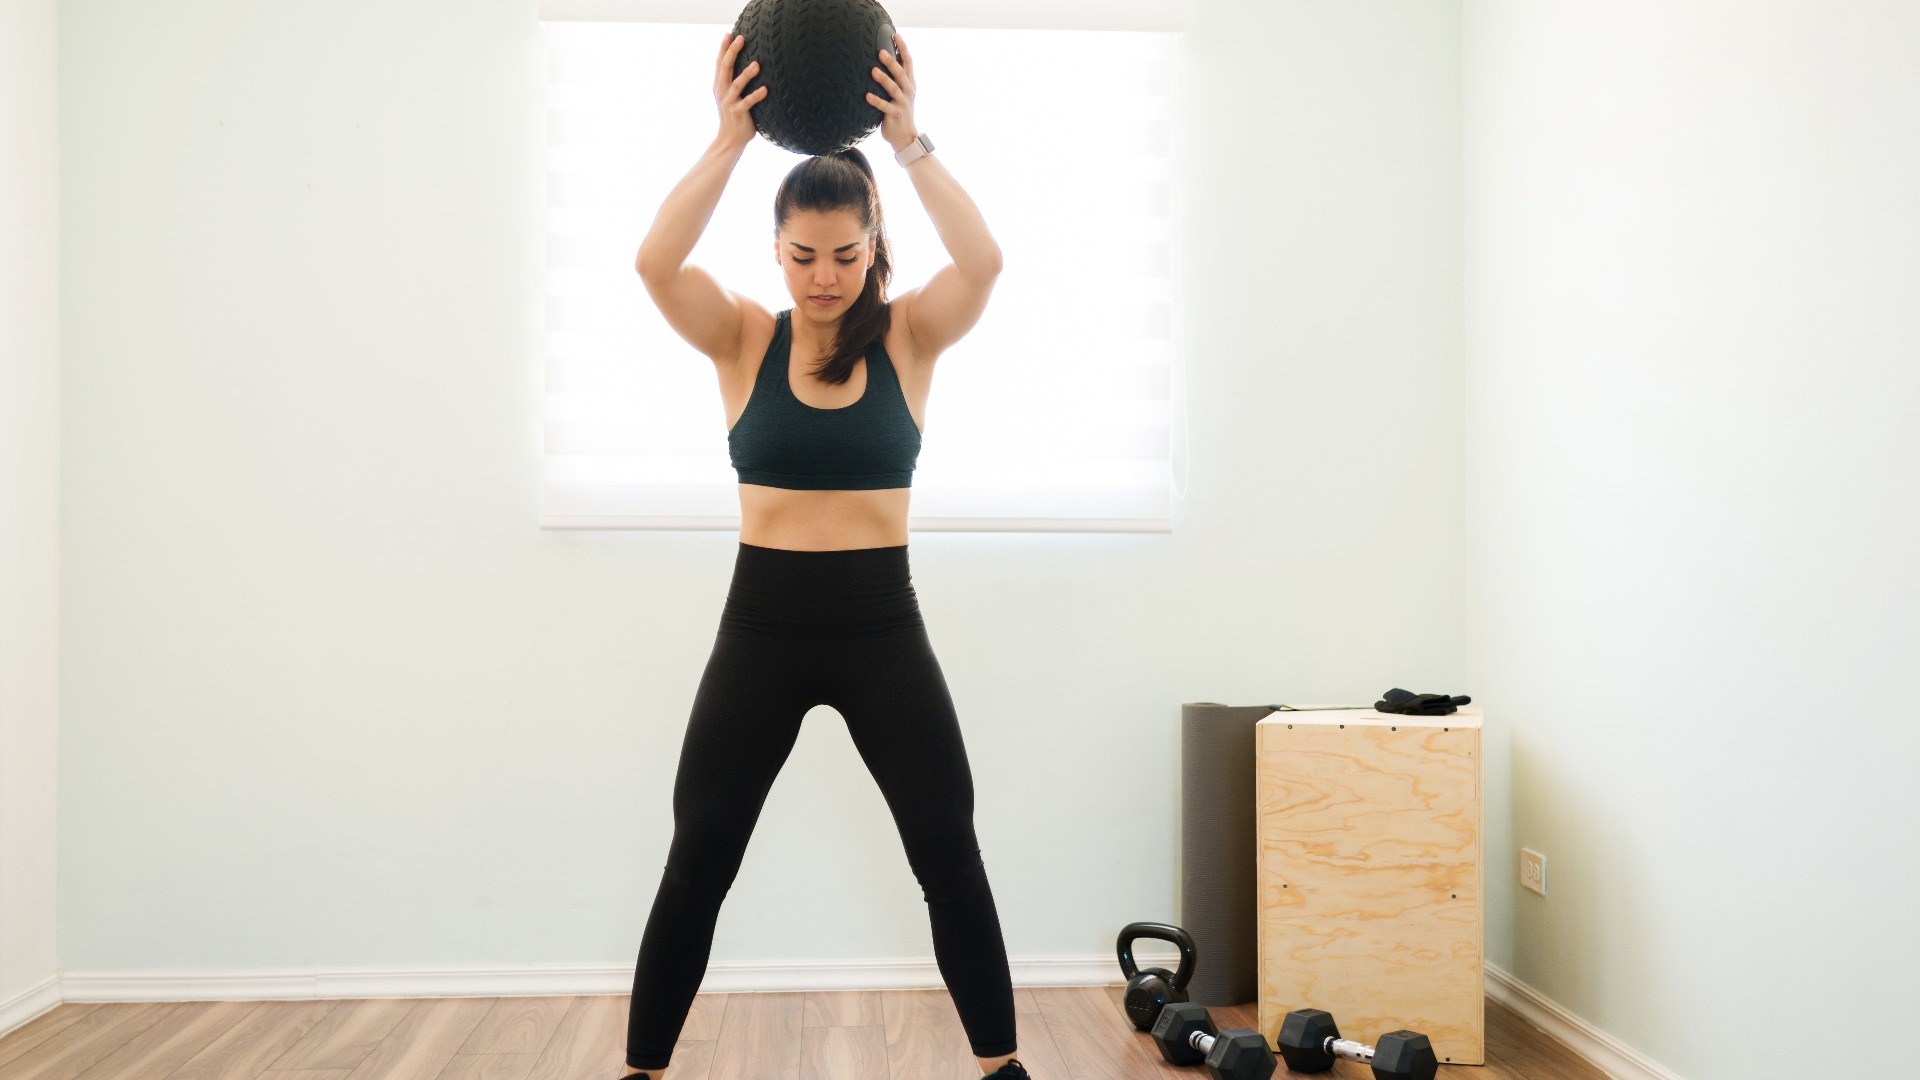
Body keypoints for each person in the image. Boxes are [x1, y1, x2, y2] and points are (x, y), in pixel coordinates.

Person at [620, 28, 1027, 1080]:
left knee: (949, 852)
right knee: (700, 857)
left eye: (846, 255)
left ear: (871, 242)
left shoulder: (908, 339)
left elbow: (983, 263)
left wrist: (909, 141)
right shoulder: (744, 339)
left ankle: (1003, 1070)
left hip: (881, 628)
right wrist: (727, 140)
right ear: (777, 252)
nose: (825, 277)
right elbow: (655, 263)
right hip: (761, 627)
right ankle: (641, 1072)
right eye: (803, 256)